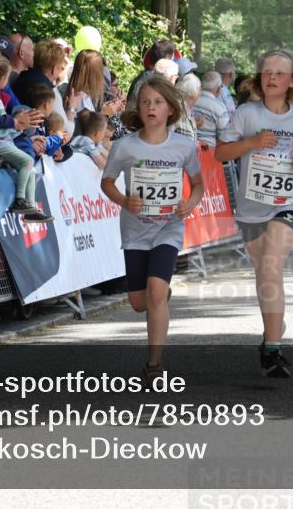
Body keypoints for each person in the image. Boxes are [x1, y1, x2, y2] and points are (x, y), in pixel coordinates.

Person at [215, 49, 293, 378]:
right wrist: (250, 143)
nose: (272, 77)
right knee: (265, 276)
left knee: (271, 265)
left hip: (288, 201)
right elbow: (221, 152)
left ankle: (273, 349)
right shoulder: (246, 113)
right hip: (251, 207)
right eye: (266, 72)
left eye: (279, 73)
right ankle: (272, 332)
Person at [101, 77, 203, 384]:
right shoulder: (124, 146)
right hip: (135, 230)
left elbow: (198, 184)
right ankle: (160, 294)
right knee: (139, 302)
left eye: (158, 102)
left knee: (155, 292)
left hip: (168, 229)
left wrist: (190, 203)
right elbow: (107, 182)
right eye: (145, 102)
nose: (150, 107)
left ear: (171, 109)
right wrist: (123, 199)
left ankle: (154, 365)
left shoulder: (184, 146)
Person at [0, 49, 50, 222]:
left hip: (5, 140)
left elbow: (9, 116)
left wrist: (19, 126)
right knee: (27, 162)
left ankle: (30, 207)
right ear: (3, 78)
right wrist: (14, 123)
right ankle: (20, 200)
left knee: (30, 168)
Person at [194, 71, 230, 148]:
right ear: (218, 89)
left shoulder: (191, 100)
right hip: (208, 151)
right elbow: (224, 137)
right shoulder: (220, 107)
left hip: (188, 149)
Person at [173, 73, 201, 141]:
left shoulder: (186, 108)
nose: (200, 93)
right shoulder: (178, 110)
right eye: (199, 89)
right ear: (194, 93)